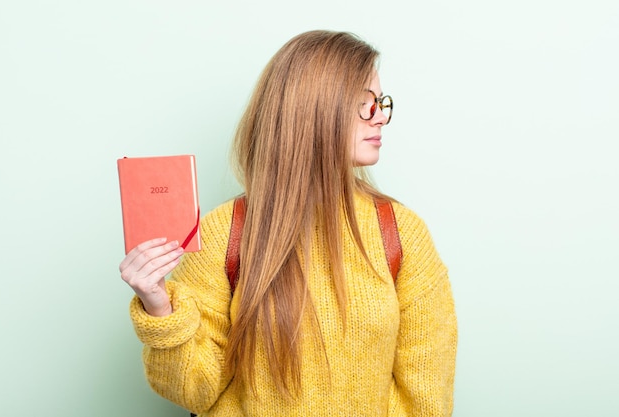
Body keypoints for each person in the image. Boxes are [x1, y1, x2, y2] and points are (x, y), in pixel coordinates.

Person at [119, 30, 457, 416]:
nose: (380, 116)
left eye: (380, 102)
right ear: (314, 110)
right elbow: (194, 391)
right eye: (365, 103)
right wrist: (159, 307)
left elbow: (427, 401)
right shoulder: (223, 232)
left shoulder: (402, 232)